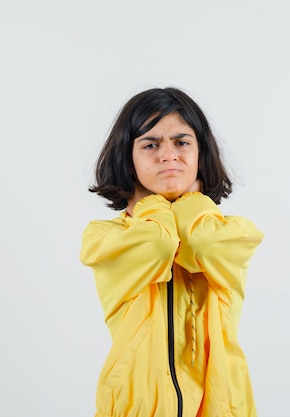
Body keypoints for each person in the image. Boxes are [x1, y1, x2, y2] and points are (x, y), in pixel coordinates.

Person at [80, 87, 264, 417]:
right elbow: (159, 244)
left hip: (221, 407)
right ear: (128, 158)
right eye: (150, 144)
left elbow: (200, 244)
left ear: (201, 155)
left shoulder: (232, 233)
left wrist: (191, 201)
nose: (168, 155)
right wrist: (152, 203)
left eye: (181, 142)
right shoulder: (104, 238)